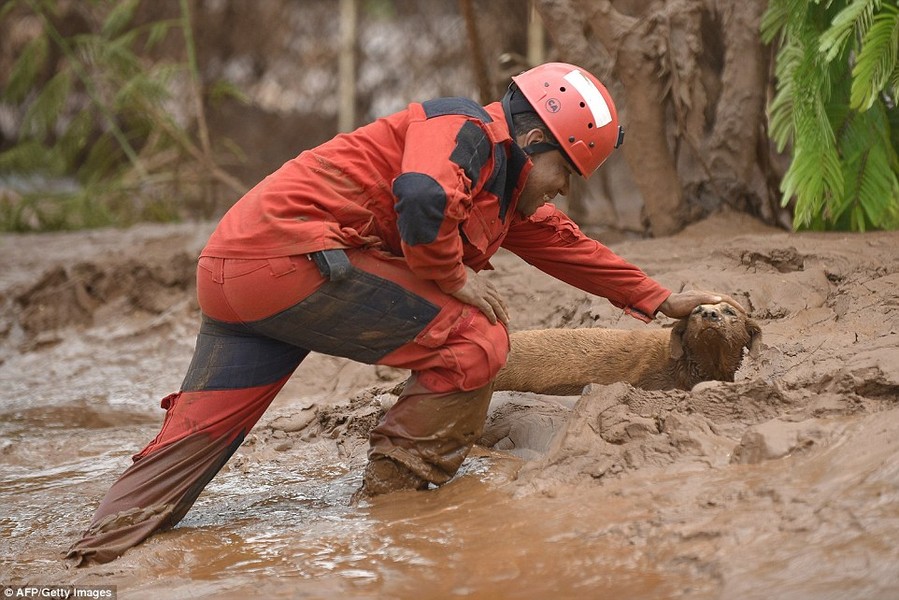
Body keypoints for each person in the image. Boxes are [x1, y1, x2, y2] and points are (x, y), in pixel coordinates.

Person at [67, 62, 740, 565]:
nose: (564, 188)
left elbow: (568, 247)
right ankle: (399, 506)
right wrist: (450, 277)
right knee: (473, 340)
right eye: (564, 171)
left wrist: (657, 300)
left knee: (190, 448)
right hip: (290, 263)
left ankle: (90, 557)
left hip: (237, 270)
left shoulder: (502, 185)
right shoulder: (464, 130)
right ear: (533, 135)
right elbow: (420, 197)